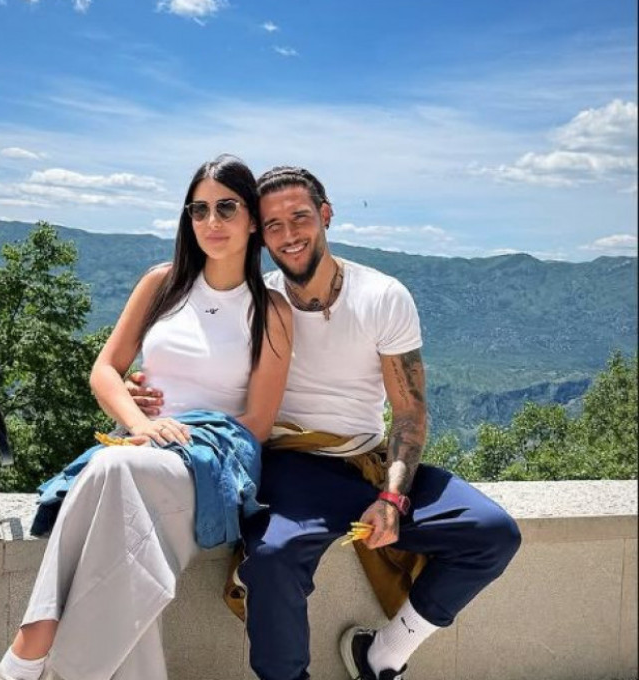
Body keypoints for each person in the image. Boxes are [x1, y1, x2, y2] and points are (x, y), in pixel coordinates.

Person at [129, 166, 522, 680]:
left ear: (326, 215)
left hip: (367, 461)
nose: (288, 235)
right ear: (259, 233)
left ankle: (384, 654)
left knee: (492, 532)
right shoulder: (259, 302)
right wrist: (152, 393)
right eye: (273, 225)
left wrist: (393, 498)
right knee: (273, 558)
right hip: (290, 466)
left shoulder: (382, 296)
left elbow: (409, 410)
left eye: (300, 217)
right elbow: (203, 368)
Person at [0, 155, 292, 680]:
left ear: (253, 218)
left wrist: (183, 440)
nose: (212, 221)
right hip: (141, 447)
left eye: (227, 208)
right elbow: (105, 370)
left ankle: (27, 653)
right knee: (120, 510)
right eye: (199, 210)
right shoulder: (162, 284)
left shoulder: (270, 310)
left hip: (212, 466)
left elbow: (256, 423)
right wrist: (141, 426)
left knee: (111, 468)